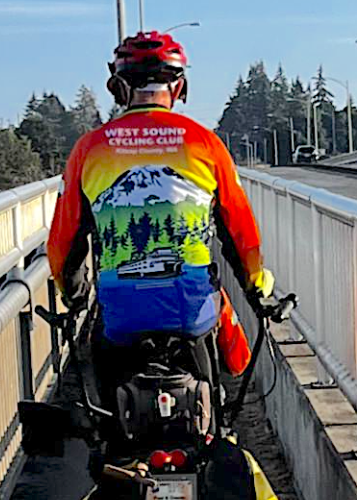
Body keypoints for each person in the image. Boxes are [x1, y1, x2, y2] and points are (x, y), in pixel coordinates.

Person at [47, 30, 274, 415]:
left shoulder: (91, 149)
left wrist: (75, 294)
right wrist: (256, 288)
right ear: (179, 85)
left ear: (119, 88)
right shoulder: (205, 143)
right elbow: (240, 234)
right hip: (192, 312)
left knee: (106, 424)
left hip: (120, 315)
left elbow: (64, 244)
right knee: (216, 413)